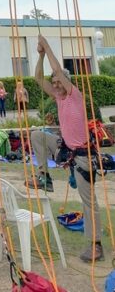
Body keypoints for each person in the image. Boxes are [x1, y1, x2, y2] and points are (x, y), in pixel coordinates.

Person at [29, 35, 103, 264]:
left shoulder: (74, 96)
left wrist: (48, 46)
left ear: (68, 83)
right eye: (55, 82)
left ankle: (96, 245)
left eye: (60, 81)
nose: (56, 84)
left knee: (88, 201)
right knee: (37, 136)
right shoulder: (59, 99)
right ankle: (43, 176)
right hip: (67, 149)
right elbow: (38, 77)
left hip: (82, 156)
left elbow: (58, 70)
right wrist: (40, 55)